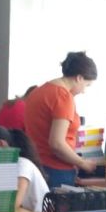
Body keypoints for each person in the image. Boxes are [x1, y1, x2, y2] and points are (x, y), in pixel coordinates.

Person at [25, 51, 98, 189]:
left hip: (36, 165)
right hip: (56, 170)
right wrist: (82, 163)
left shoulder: (37, 92)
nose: (84, 91)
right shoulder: (63, 97)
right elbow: (57, 144)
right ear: (79, 78)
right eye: (86, 85)